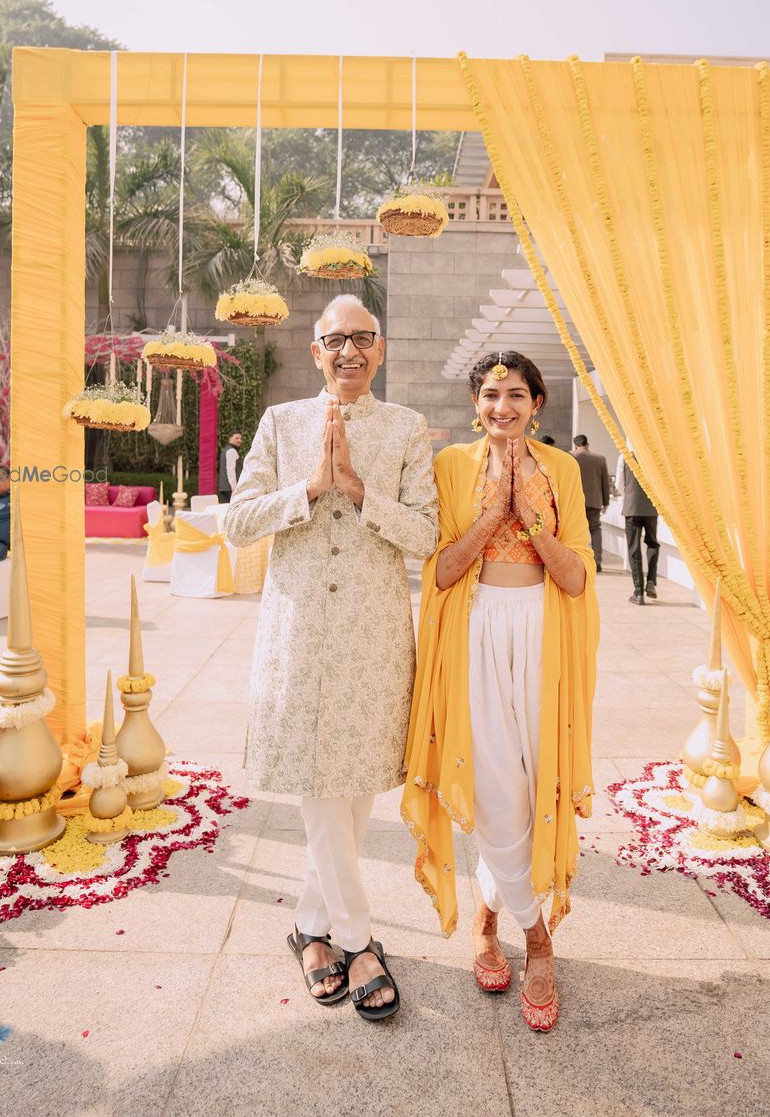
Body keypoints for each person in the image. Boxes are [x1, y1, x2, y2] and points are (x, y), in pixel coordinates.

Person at [225, 295, 438, 1022]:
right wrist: (310, 488)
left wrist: (358, 488)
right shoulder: (281, 424)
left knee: (352, 793)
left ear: (380, 349)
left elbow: (426, 536)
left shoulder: (408, 429)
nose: (349, 351)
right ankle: (358, 939)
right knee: (322, 786)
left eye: (362, 338)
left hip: (374, 635)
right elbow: (235, 521)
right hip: (301, 629)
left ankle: (309, 929)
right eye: (335, 339)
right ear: (315, 350)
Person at [402, 350, 599, 1033]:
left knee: (532, 784)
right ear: (474, 401)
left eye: (516, 393)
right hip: (475, 633)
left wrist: (530, 516)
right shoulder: (451, 467)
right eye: (491, 394)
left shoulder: (564, 470)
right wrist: (492, 517)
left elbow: (576, 578)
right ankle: (537, 936)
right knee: (492, 788)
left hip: (543, 637)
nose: (502, 406)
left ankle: (488, 915)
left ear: (538, 402)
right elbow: (441, 571)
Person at [616, 451, 659, 604]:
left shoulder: (625, 456)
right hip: (651, 508)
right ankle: (651, 581)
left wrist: (629, 495)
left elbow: (619, 485)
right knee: (653, 543)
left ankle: (639, 592)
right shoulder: (654, 456)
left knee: (634, 549)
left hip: (632, 507)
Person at [570, 434, 611, 573]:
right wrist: (606, 501)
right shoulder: (599, 459)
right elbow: (605, 482)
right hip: (594, 501)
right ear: (587, 444)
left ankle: (575, 560)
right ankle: (597, 561)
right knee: (595, 529)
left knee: (573, 531)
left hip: (574, 502)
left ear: (575, 445)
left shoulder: (570, 456)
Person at [217, 430, 244, 503]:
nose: (239, 440)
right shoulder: (231, 451)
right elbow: (230, 471)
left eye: (240, 438)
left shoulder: (226, 449)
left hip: (225, 488)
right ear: (230, 438)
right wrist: (234, 489)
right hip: (229, 489)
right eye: (237, 438)